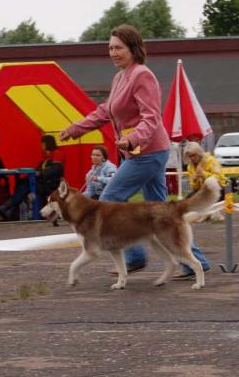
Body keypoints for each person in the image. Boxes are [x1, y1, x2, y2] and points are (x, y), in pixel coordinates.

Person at [58, 24, 210, 277]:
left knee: (110, 199)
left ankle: (134, 255)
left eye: (118, 48)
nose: (113, 53)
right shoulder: (120, 77)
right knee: (164, 213)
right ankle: (194, 262)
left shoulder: (142, 75)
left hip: (148, 152)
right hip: (143, 152)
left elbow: (151, 117)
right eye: (110, 48)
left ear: (133, 48)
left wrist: (131, 140)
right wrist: (76, 129)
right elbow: (105, 111)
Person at [0, 135, 64, 220]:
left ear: (48, 143)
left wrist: (40, 173)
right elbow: (39, 168)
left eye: (42, 144)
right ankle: (9, 209)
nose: (41, 146)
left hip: (51, 184)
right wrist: (35, 171)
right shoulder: (45, 155)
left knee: (25, 185)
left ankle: (7, 207)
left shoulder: (57, 153)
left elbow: (56, 170)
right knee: (22, 182)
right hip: (43, 182)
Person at [183, 142, 226, 222]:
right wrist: (195, 179)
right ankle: (207, 213)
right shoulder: (190, 167)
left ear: (199, 152)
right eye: (190, 156)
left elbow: (219, 178)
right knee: (186, 204)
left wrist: (203, 174)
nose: (192, 158)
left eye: (194, 155)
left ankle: (207, 213)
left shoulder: (211, 160)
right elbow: (194, 187)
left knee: (209, 181)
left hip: (218, 190)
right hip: (201, 191)